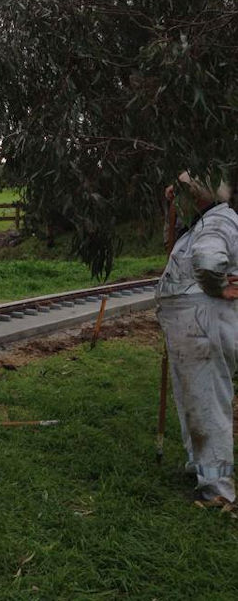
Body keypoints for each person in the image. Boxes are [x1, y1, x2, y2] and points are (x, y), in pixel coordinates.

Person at [156, 173, 238, 506]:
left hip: (201, 326)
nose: (180, 199)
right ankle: (201, 468)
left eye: (185, 193)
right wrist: (171, 208)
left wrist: (219, 287)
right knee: (194, 400)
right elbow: (180, 245)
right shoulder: (203, 222)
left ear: (200, 195)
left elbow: (208, 261)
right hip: (193, 327)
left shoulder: (218, 221)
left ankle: (218, 490)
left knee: (206, 402)